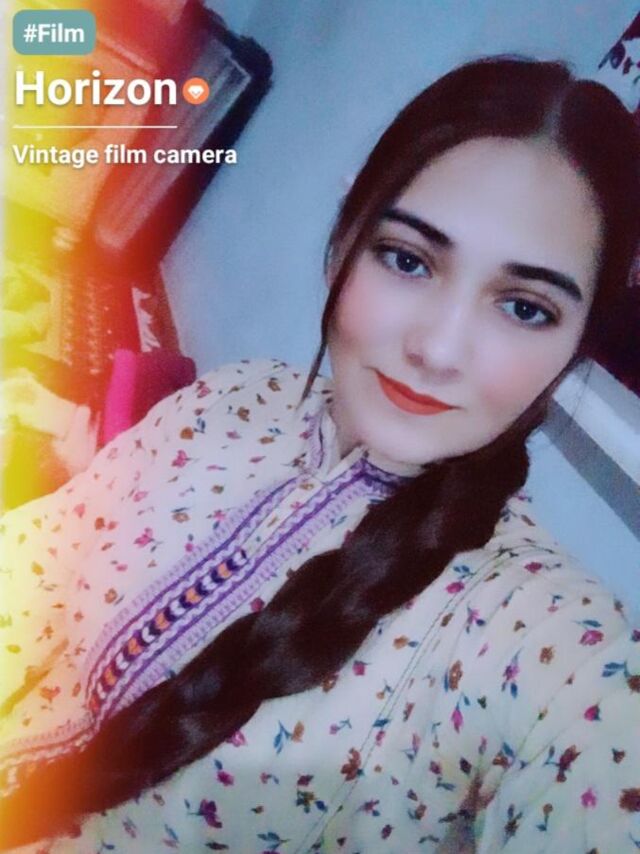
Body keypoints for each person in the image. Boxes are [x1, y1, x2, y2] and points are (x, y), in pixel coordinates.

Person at [1, 55, 639, 853]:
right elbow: (45, 548)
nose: (438, 350)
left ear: (574, 347)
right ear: (346, 239)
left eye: (525, 307)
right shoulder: (239, 395)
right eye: (408, 260)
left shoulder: (538, 638)